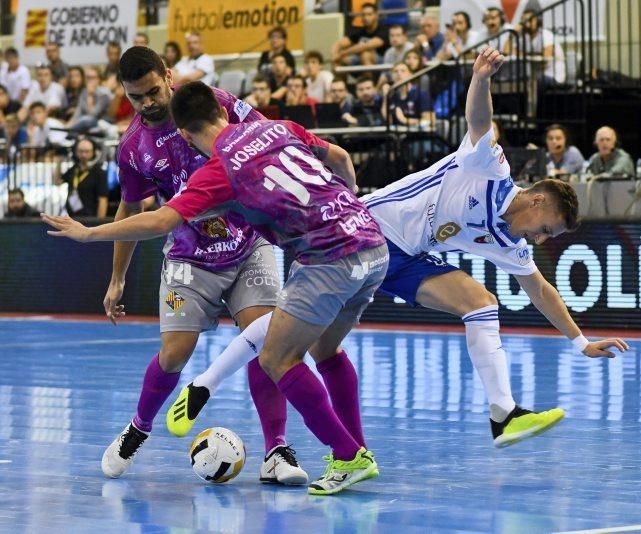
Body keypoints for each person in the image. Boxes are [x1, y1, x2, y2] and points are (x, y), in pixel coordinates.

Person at [153, 48, 628, 454]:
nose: (538, 241)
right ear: (537, 200)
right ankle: (203, 384)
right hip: (364, 230)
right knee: (297, 330)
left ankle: (503, 414)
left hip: (407, 258)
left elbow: (540, 289)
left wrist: (581, 342)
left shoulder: (508, 240)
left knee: (482, 305)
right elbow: (480, 122)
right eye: (545, 230)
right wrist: (480, 78)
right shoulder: (490, 169)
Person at [43, 80, 390, 497]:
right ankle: (352, 453)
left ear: (187, 133)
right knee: (323, 349)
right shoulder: (276, 126)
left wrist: (88, 234)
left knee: (276, 357)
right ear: (222, 111)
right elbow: (340, 156)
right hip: (371, 244)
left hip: (324, 258)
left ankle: (344, 455)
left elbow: (158, 222)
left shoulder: (219, 170)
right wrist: (346, 200)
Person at [48, 46, 309, 486]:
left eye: (152, 91)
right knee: (174, 353)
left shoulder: (217, 103)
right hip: (190, 255)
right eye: (136, 98)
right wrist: (117, 278)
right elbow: (130, 210)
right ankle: (138, 429)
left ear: (169, 75)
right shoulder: (133, 148)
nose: (148, 103)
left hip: (249, 244)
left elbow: (272, 137)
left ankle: (276, 451)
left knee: (264, 344)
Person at [506, 9, 566, 85]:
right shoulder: (523, 37)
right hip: (533, 76)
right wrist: (512, 34)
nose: (527, 23)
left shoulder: (546, 35)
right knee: (515, 80)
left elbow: (545, 60)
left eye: (530, 20)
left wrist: (522, 54)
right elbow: (507, 51)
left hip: (552, 76)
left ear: (538, 21)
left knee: (533, 80)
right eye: (524, 21)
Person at [56, 137, 108, 217]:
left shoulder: (99, 172)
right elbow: (57, 181)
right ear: (75, 152)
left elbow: (103, 200)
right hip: (72, 218)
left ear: (94, 152)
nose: (83, 155)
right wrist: (58, 162)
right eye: (80, 151)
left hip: (90, 219)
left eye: (87, 152)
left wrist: (99, 223)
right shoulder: (74, 169)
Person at [384, 62, 434, 127]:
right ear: (391, 76)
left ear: (410, 75)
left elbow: (429, 120)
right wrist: (385, 97)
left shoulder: (421, 94)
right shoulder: (392, 96)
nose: (399, 74)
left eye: (403, 71)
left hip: (418, 135)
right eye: (395, 71)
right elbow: (389, 121)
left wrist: (405, 120)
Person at [68, 66, 112, 133]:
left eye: (92, 78)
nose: (89, 80)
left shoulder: (104, 93)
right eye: (87, 78)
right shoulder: (84, 92)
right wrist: (67, 125)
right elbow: (78, 112)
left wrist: (90, 96)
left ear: (98, 79)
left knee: (86, 120)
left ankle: (69, 133)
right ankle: (67, 132)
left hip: (101, 123)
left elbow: (92, 115)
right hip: (84, 123)